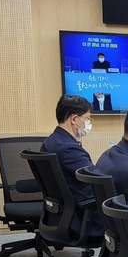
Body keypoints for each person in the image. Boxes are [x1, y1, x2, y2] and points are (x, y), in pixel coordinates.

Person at [41, 94, 103, 236]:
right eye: (87, 118)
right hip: (83, 215)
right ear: (74, 119)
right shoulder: (68, 149)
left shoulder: (51, 142)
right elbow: (96, 179)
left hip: (62, 213)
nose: (88, 123)